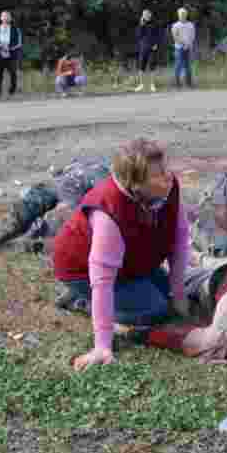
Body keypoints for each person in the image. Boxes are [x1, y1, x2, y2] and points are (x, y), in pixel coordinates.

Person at [53, 139, 191, 371]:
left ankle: (112, 296)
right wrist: (102, 345)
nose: (168, 177)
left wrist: (178, 294)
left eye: (166, 168)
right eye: (158, 175)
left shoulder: (168, 189)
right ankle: (79, 300)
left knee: (167, 297)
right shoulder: (109, 210)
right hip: (82, 269)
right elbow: (103, 281)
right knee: (155, 310)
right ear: (135, 185)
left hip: (130, 262)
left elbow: (179, 240)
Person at [0, 156, 111, 251]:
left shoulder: (100, 172)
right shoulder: (106, 177)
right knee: (48, 218)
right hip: (73, 183)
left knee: (37, 209)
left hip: (69, 181)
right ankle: (24, 239)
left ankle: (6, 234)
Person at [0, 10, 23, 97]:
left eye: (7, 16)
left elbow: (19, 43)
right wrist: (1, 46)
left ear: (10, 18)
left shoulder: (16, 29)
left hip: (12, 54)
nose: (5, 18)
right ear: (1, 18)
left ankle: (12, 91)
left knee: (13, 72)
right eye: (4, 16)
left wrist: (9, 48)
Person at [134, 9, 161, 92]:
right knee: (141, 67)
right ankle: (141, 85)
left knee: (152, 66)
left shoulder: (155, 23)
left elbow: (159, 35)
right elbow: (138, 36)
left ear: (150, 15)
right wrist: (141, 25)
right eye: (144, 15)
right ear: (142, 16)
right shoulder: (141, 24)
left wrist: (156, 44)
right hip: (143, 48)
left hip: (152, 48)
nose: (146, 16)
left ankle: (152, 85)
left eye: (147, 14)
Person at [170, 8, 195, 88]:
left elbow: (192, 36)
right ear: (178, 15)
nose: (183, 15)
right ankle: (177, 83)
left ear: (186, 15)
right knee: (178, 65)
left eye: (184, 14)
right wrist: (183, 44)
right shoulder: (175, 25)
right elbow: (175, 37)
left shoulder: (191, 25)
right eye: (181, 14)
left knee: (188, 66)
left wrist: (188, 44)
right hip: (179, 48)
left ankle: (189, 83)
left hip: (188, 47)